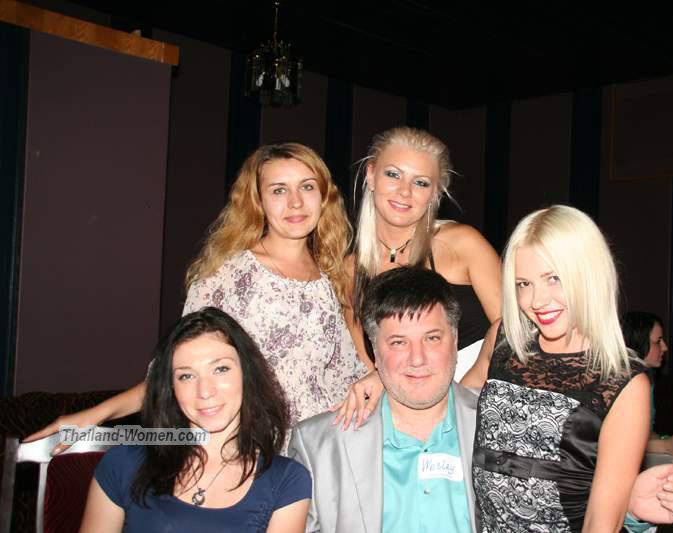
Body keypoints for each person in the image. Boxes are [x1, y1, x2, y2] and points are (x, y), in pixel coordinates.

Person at [290, 267, 673, 533]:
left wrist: (630, 510)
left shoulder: (506, 426)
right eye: (398, 342)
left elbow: (554, 515)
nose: (417, 359)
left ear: (455, 340)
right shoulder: (318, 445)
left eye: (432, 338)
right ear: (374, 350)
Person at [28, 142, 368, 448]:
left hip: (326, 449)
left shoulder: (333, 277)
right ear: (258, 201)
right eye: (279, 190)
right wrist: (94, 415)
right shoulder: (231, 275)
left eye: (307, 187)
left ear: (324, 196)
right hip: (254, 448)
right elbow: (175, 369)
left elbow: (352, 374)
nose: (295, 202)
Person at [461, 206, 652, 532]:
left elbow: (601, 522)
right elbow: (453, 410)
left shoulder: (623, 382)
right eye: (524, 283)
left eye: (554, 278)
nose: (537, 300)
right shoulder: (504, 340)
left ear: (589, 273)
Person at [80, 307, 310, 532]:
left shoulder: (286, 481)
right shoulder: (124, 463)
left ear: (247, 374)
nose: (205, 391)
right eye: (187, 376)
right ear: (171, 387)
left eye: (220, 369)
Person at [336, 126, 502, 426]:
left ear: (436, 193)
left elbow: (514, 329)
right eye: (393, 174)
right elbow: (367, 363)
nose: (404, 191)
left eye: (421, 182)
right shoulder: (350, 270)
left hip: (478, 406)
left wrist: (466, 388)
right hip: (403, 416)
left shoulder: (461, 244)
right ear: (371, 175)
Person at [622, 311, 673, 457]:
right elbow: (619, 438)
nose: (665, 347)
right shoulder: (620, 383)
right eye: (657, 341)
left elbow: (646, 432)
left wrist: (670, 441)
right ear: (637, 343)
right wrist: (665, 446)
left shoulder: (646, 378)